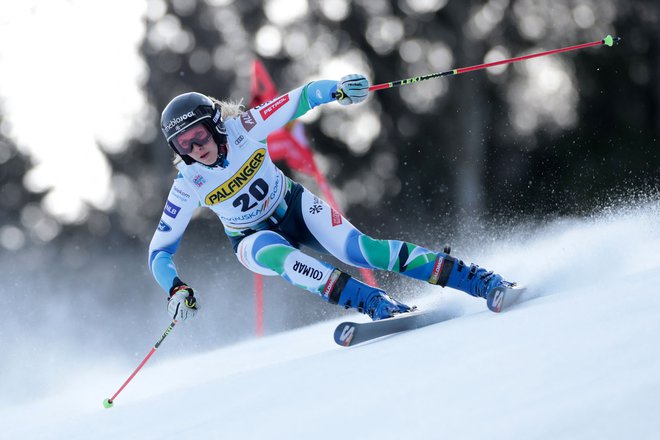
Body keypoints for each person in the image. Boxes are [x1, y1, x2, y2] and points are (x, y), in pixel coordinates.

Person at [149, 74, 516, 323]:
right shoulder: (189, 183)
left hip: (292, 205)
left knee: (364, 252)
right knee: (284, 258)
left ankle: (477, 280)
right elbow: (159, 252)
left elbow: (305, 96)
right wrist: (175, 289)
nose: (195, 149)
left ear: (215, 125)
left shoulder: (244, 127)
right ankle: (375, 304)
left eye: (198, 136)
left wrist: (339, 89)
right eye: (183, 145)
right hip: (250, 239)